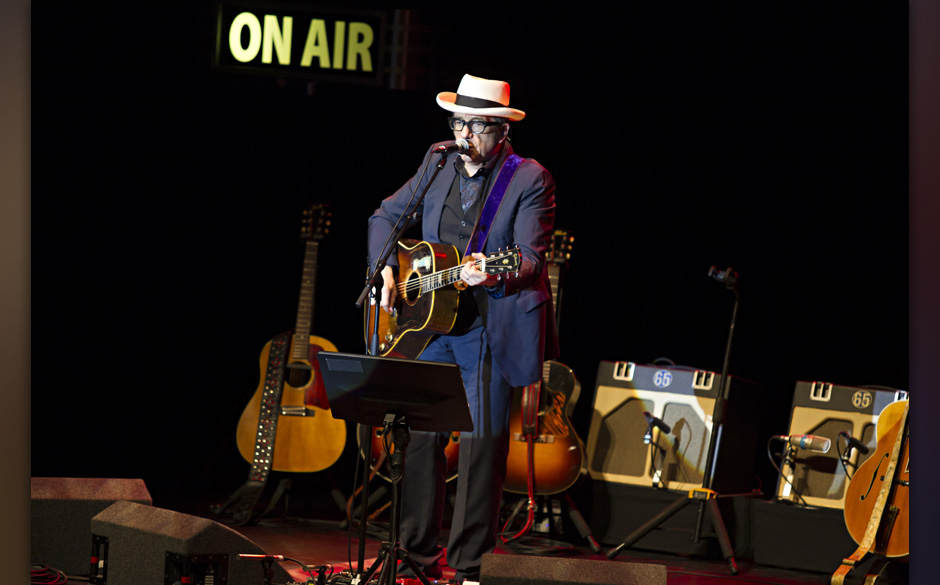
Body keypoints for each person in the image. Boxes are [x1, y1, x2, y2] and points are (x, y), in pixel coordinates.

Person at [366, 73, 558, 583]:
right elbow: (384, 217)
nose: (464, 134)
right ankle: (415, 555)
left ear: (502, 130)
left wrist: (492, 272)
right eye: (458, 122)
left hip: (489, 326)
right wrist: (384, 270)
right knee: (419, 438)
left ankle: (470, 566)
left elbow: (530, 259)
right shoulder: (438, 161)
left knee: (480, 446)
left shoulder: (529, 178)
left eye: (476, 125)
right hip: (431, 325)